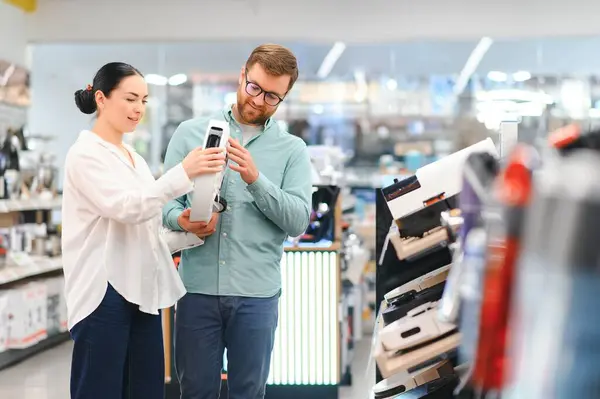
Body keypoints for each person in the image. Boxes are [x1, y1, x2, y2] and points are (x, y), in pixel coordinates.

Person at [61, 62, 226, 399]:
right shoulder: (84, 154)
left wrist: (191, 233)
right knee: (100, 390)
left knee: (147, 388)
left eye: (144, 101)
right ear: (102, 98)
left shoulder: (134, 159)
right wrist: (183, 172)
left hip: (140, 291)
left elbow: (146, 233)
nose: (138, 110)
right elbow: (125, 208)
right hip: (103, 292)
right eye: (130, 99)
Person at [162, 44, 313, 398]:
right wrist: (183, 221)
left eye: (273, 96)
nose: (259, 101)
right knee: (196, 391)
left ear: (285, 96)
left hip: (257, 296)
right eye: (255, 88)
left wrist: (256, 179)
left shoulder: (293, 150)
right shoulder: (190, 133)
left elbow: (297, 221)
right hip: (197, 291)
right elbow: (163, 205)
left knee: (249, 392)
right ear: (242, 75)